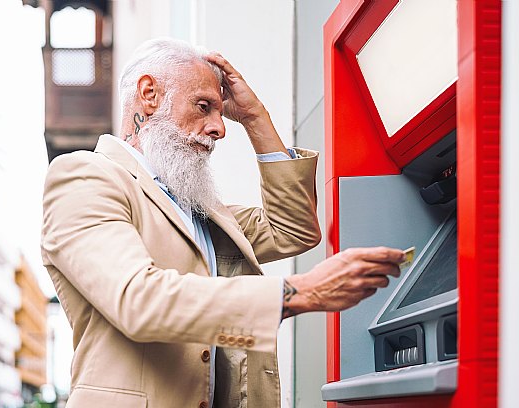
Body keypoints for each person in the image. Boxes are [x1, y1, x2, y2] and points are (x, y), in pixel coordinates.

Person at [41, 38, 405, 408]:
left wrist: (254, 117)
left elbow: (293, 229)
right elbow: (138, 299)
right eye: (204, 107)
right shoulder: (82, 177)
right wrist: (299, 293)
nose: (219, 128)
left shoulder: (197, 208)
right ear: (149, 94)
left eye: (221, 112)